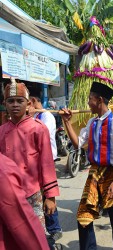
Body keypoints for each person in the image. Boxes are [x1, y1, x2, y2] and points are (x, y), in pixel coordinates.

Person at [60, 81, 113, 250]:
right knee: (83, 216)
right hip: (95, 173)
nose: (88, 102)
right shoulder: (91, 123)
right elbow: (77, 144)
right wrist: (66, 121)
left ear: (100, 100)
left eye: (90, 99)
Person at [0, 79, 59, 236]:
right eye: (10, 101)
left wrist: (51, 196)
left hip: (33, 193)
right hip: (7, 195)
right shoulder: (1, 131)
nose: (15, 105)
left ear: (28, 104)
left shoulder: (38, 129)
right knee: (13, 237)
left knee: (36, 235)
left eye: (20, 101)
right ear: (5, 104)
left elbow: (47, 164)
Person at [29, 95, 63, 244]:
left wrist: (29, 119)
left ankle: (55, 229)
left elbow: (44, 133)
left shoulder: (46, 115)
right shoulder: (35, 115)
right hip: (32, 163)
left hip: (47, 158)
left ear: (34, 101)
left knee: (48, 193)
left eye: (29, 103)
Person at [0, 152, 50, 250]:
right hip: (14, 192)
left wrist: (50, 192)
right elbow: (25, 227)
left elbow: (46, 158)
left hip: (32, 189)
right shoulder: (2, 171)